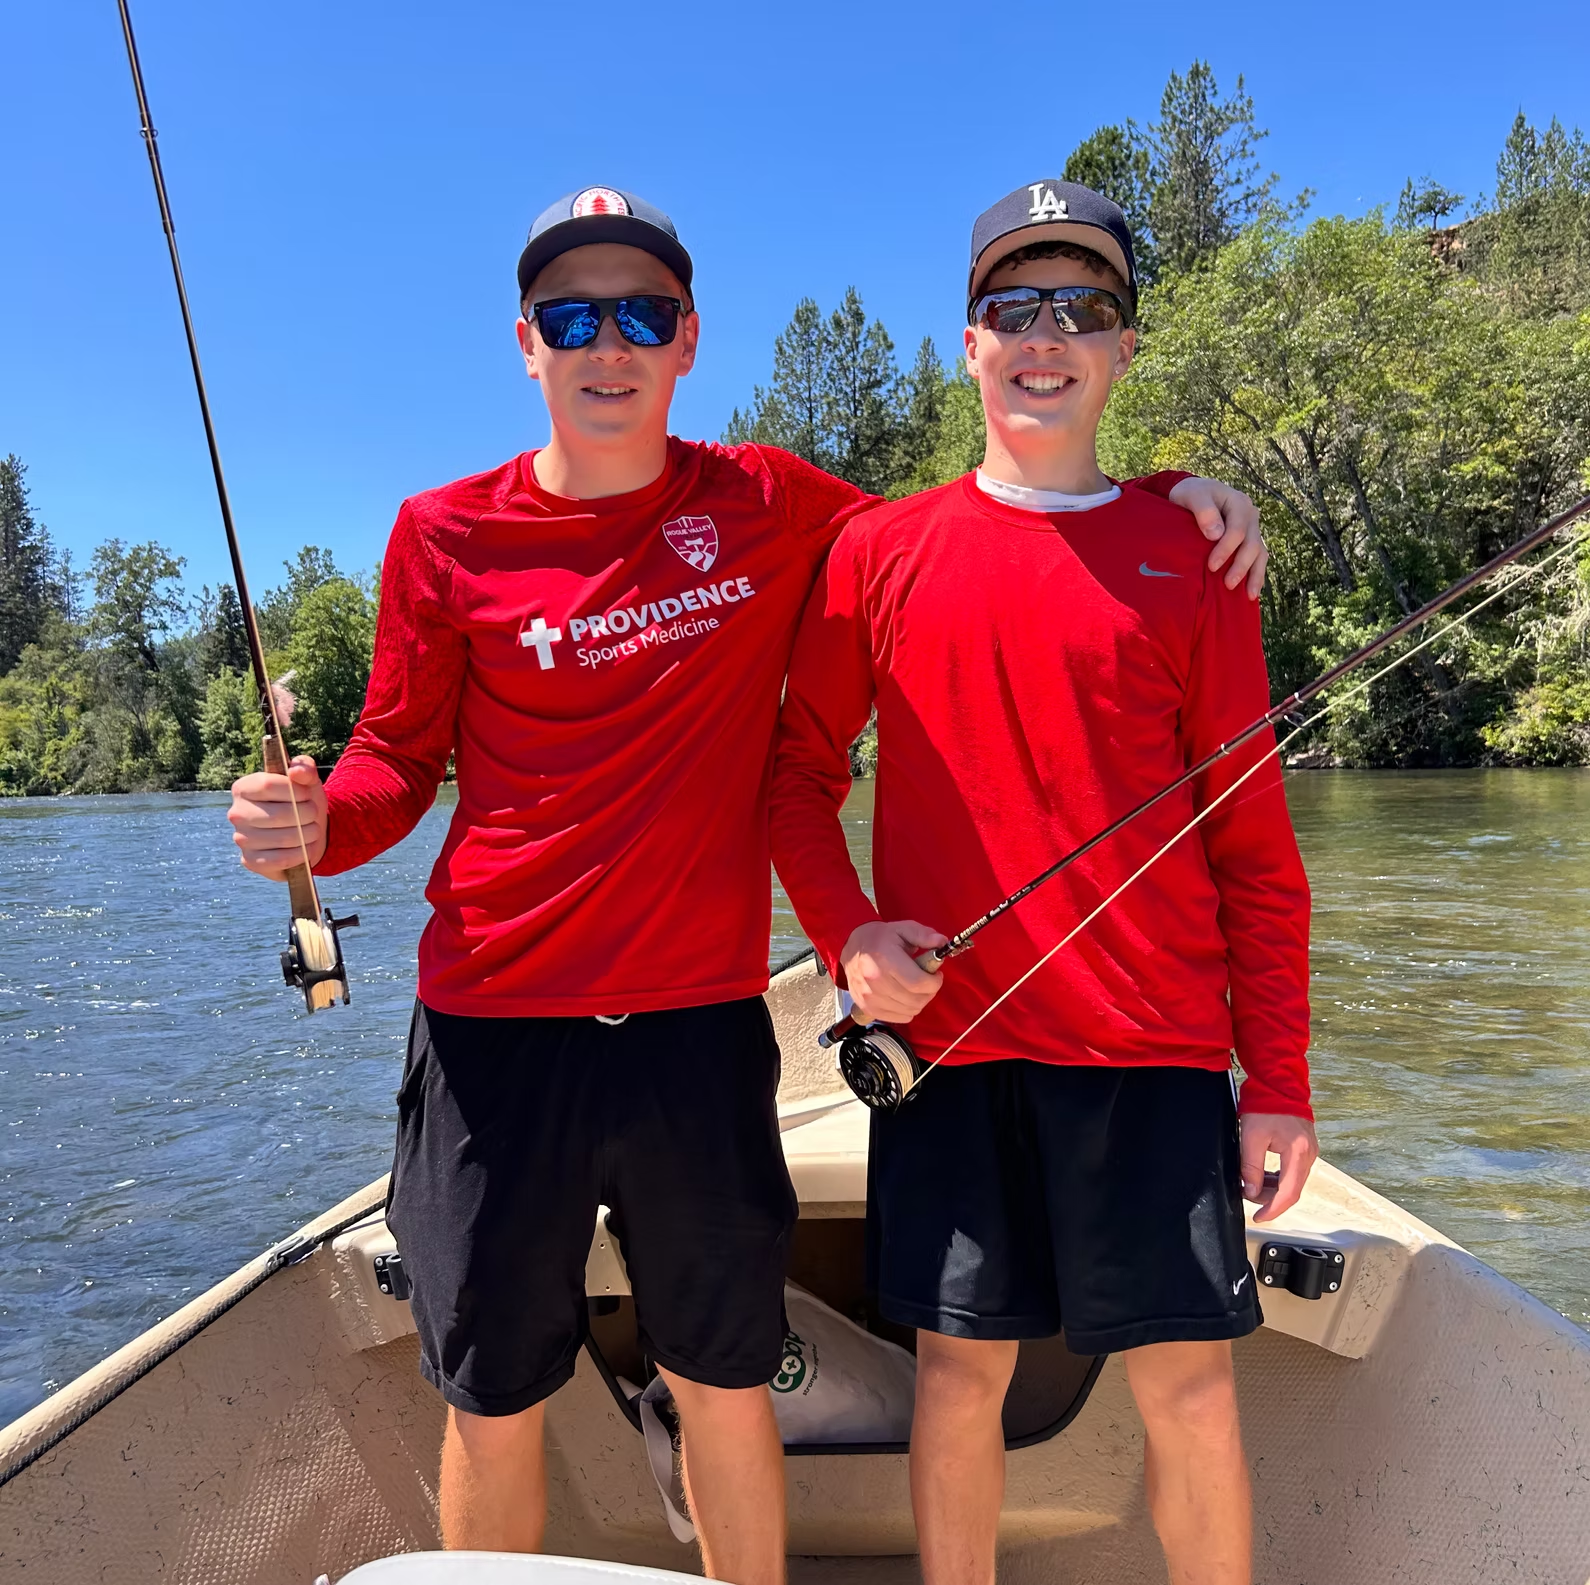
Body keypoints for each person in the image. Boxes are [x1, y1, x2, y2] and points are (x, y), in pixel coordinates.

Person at [224, 184, 1269, 1580]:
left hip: (699, 1032)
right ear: (527, 343)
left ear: (687, 340)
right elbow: (392, 766)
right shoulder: (442, 532)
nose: (610, 342)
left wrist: (1164, 498)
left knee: (724, 1381)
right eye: (573, 316)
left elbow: (1005, 505)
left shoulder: (776, 502)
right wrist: (312, 824)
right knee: (493, 1399)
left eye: (642, 314)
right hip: (491, 1035)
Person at [769, 179, 1317, 1585]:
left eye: (1085, 306)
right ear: (967, 343)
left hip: (1152, 1054)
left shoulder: (1193, 554)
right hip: (950, 1053)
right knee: (958, 1380)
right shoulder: (876, 551)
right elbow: (792, 781)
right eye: (1014, 305)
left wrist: (1279, 1081)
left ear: (1124, 348)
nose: (1046, 333)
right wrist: (846, 941)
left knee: (1187, 1391)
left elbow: (1253, 852)